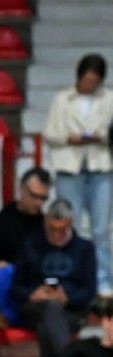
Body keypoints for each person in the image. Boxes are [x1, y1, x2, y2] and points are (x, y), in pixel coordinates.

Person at [44, 53, 113, 296]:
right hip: (69, 168)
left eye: (94, 81)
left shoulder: (109, 99)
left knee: (101, 230)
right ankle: (75, 277)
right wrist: (68, 138)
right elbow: (50, 135)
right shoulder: (62, 100)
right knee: (69, 227)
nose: (89, 85)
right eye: (86, 80)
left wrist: (100, 136)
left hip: (100, 167)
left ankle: (104, 281)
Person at [11, 198, 97, 357]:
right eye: (52, 230)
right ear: (45, 223)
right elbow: (16, 288)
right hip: (35, 307)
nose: (56, 235)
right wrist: (32, 294)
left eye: (62, 230)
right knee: (50, 308)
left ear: (71, 224)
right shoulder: (31, 245)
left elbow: (89, 291)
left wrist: (67, 298)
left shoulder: (84, 249)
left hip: (71, 310)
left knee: (47, 327)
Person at [0, 167, 53, 272]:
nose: (38, 203)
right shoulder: (0, 223)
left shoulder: (46, 226)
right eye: (34, 196)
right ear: (22, 189)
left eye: (43, 198)